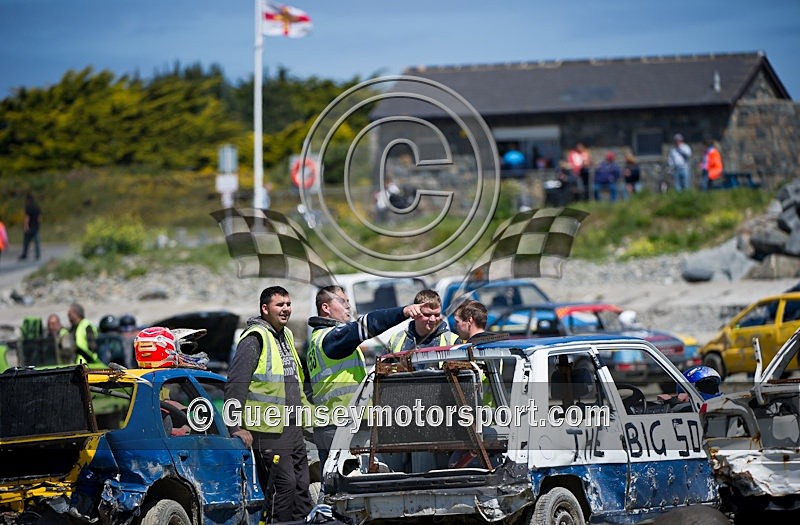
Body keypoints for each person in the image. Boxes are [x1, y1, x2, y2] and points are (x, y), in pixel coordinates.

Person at [307, 285, 424, 468]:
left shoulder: (316, 340)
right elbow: (367, 325)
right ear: (326, 308)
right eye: (342, 301)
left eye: (348, 301)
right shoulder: (332, 339)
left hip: (329, 424)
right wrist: (403, 312)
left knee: (331, 481)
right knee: (352, 480)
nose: (348, 306)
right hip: (342, 426)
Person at [224, 286, 312, 522]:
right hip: (268, 429)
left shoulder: (286, 335)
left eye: (288, 304)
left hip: (292, 426)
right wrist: (235, 426)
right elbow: (235, 384)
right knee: (284, 485)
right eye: (279, 305)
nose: (286, 309)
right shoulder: (254, 339)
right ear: (265, 308)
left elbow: (295, 381)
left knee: (302, 486)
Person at [387, 290, 459, 353]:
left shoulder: (452, 341)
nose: (433, 319)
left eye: (437, 315)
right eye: (427, 315)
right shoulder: (396, 340)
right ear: (415, 313)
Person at [19, 193, 41, 261]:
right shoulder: (37, 207)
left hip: (30, 227)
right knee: (37, 242)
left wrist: (26, 226)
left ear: (28, 200)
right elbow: (39, 218)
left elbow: (27, 218)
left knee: (26, 242)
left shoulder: (28, 207)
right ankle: (38, 254)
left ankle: (24, 254)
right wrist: (38, 225)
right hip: (36, 227)